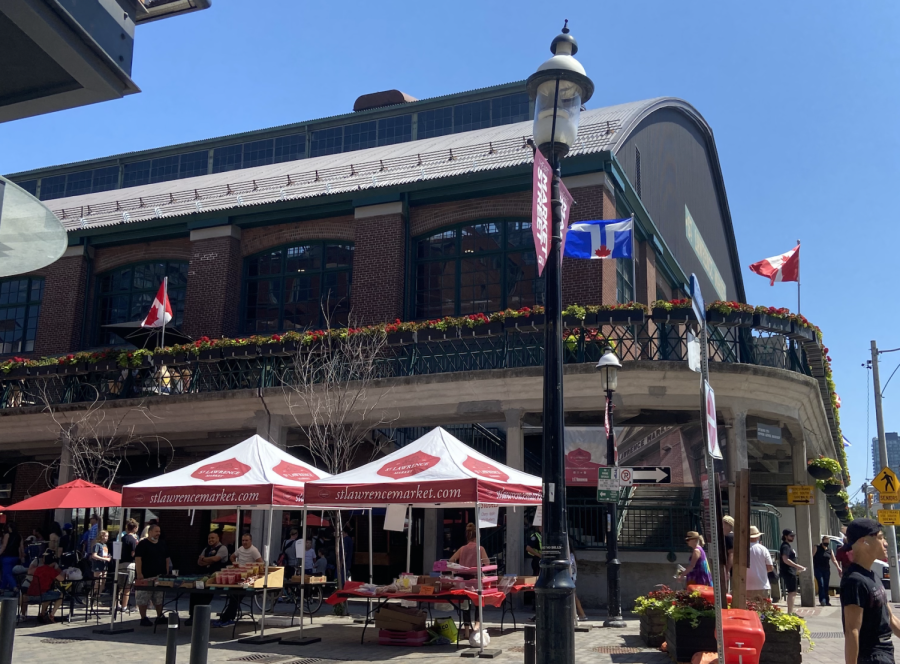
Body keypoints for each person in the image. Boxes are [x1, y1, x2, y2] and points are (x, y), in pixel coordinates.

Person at [840, 518, 900, 664]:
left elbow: (890, 618)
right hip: (872, 657)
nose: (885, 543)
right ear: (863, 541)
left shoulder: (872, 575)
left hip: (885, 651)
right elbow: (852, 631)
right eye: (880, 537)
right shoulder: (854, 580)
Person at [213, 533, 263, 628]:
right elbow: (232, 556)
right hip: (238, 575)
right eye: (243, 540)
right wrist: (236, 565)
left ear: (250, 541)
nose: (244, 542)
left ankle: (227, 618)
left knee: (235, 598)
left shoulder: (254, 550)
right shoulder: (240, 549)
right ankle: (226, 618)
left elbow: (260, 563)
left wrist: (252, 570)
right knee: (232, 597)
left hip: (247, 578)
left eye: (246, 540)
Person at [449, 523, 489, 638]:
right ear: (478, 536)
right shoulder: (480, 548)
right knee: (478, 603)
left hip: (462, 580)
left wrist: (460, 566)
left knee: (465, 605)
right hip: (475, 579)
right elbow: (487, 563)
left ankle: (466, 631)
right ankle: (476, 628)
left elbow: (451, 560)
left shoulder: (462, 549)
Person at [187, 531, 228, 627]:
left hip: (216, 578)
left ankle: (200, 617)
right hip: (203, 576)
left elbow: (215, 559)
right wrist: (206, 560)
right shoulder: (206, 548)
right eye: (209, 538)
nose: (210, 540)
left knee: (205, 596)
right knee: (194, 593)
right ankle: (192, 616)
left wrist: (204, 559)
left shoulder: (223, 548)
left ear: (218, 539)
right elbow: (199, 562)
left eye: (213, 538)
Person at [135, 523, 171, 627]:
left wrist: (167, 572)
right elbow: (138, 559)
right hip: (146, 575)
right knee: (143, 598)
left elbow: (167, 559)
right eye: (156, 531)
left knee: (159, 597)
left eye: (159, 532)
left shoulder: (162, 544)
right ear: (149, 532)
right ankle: (143, 618)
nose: (158, 534)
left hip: (160, 576)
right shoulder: (143, 544)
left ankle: (159, 616)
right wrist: (139, 573)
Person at [26, 550, 66, 624]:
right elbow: (62, 579)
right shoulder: (51, 570)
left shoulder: (38, 569)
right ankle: (52, 615)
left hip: (31, 593)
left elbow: (30, 572)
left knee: (50, 594)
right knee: (61, 595)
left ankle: (42, 613)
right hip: (41, 595)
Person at [780, 529, 806, 614]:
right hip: (789, 571)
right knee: (792, 592)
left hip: (791, 571)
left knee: (793, 592)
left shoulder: (787, 546)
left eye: (793, 536)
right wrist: (797, 566)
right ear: (785, 536)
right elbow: (785, 559)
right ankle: (790, 612)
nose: (793, 537)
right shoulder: (785, 546)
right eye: (791, 536)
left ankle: (790, 611)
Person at [746, 526, 774, 601]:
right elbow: (770, 568)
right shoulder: (763, 549)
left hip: (746, 585)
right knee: (764, 610)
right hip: (762, 585)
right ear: (757, 537)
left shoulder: (743, 549)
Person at [118, 518, 139, 615]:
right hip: (130, 565)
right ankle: (124, 607)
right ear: (134, 528)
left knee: (119, 586)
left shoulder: (122, 538)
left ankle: (116, 605)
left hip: (120, 564)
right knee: (127, 587)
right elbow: (133, 553)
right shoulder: (133, 540)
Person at [814, 535, 837, 606]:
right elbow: (811, 556)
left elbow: (834, 560)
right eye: (825, 541)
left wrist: (838, 568)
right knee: (821, 584)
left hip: (826, 570)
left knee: (826, 585)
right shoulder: (817, 547)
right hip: (818, 569)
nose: (827, 543)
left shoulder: (830, 550)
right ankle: (822, 600)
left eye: (828, 542)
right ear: (822, 541)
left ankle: (827, 600)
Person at [0, 522, 24, 591]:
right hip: (16, 557)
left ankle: (15, 587)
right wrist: (21, 556)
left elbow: (4, 546)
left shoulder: (7, 535)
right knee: (6, 572)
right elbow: (21, 548)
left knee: (7, 573)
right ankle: (2, 588)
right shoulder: (19, 536)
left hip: (7, 556)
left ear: (9, 528)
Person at [569, 539, 587, 621]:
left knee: (573, 596)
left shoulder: (570, 555)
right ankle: (579, 613)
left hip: (570, 577)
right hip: (571, 577)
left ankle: (581, 613)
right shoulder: (571, 555)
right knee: (573, 596)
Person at [722, 516, 735, 584]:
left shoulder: (729, 537)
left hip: (731, 570)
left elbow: (731, 554)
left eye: (723, 523)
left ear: (728, 525)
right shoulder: (732, 536)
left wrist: (727, 570)